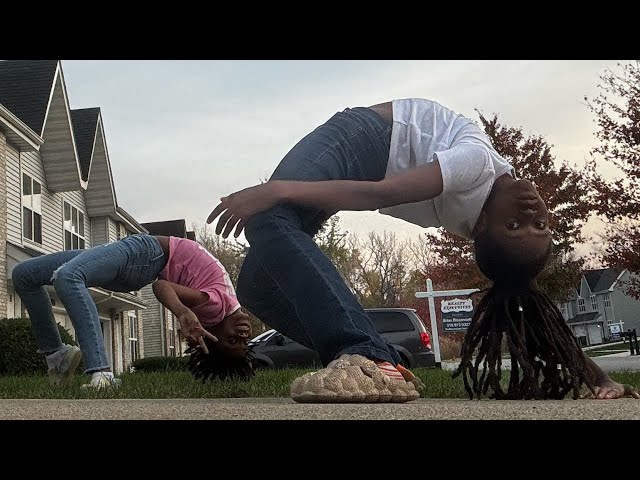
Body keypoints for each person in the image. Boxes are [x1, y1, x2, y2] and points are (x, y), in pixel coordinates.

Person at [207, 98, 639, 403]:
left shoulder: (477, 184)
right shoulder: (479, 161)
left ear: (483, 224)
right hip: (366, 136)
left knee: (267, 217)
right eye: (540, 224)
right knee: (258, 287)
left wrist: (275, 189)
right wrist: (597, 377)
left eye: (516, 225)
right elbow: (523, 294)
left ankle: (367, 355)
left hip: (366, 151)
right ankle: (383, 357)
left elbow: (381, 191)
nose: (531, 212)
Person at [11, 234, 253, 389]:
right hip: (139, 256)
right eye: (245, 340)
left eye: (232, 340)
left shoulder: (216, 307)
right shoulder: (229, 305)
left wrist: (181, 312)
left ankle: (102, 374)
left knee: (68, 276)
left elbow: (162, 286)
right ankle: (57, 355)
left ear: (212, 334)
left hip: (145, 254)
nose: (242, 334)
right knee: (24, 275)